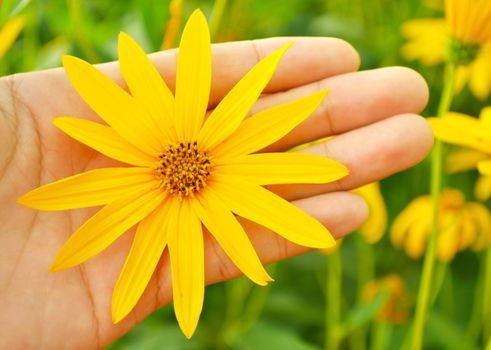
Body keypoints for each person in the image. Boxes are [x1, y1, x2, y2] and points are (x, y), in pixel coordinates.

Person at [0, 37, 432, 348]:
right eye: (180, 169)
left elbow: (272, 138)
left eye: (185, 167)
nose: (184, 170)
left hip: (225, 166)